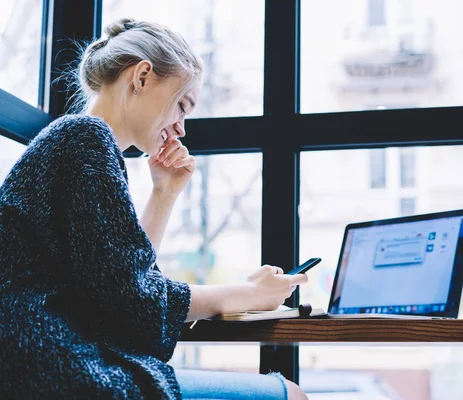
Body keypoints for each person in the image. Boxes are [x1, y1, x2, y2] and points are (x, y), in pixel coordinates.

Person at [0, 18, 309, 400]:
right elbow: (134, 299)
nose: (181, 128)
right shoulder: (86, 138)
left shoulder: (74, 138)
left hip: (38, 362)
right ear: (142, 76)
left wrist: (163, 193)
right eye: (182, 105)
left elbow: (119, 283)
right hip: (51, 367)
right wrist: (246, 293)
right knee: (291, 395)